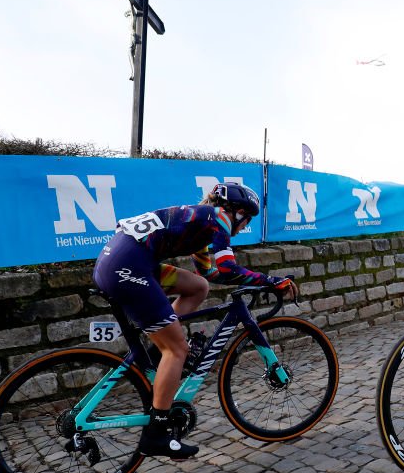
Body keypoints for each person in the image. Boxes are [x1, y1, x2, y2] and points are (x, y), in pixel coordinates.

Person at [92, 182, 296, 458]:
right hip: (128, 267)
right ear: (236, 212)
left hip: (124, 261)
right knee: (177, 349)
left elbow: (211, 273)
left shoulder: (201, 221)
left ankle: (157, 353)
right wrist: (271, 281)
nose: (245, 226)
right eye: (247, 219)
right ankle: (157, 433)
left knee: (198, 287)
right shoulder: (218, 218)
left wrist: (258, 282)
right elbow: (228, 267)